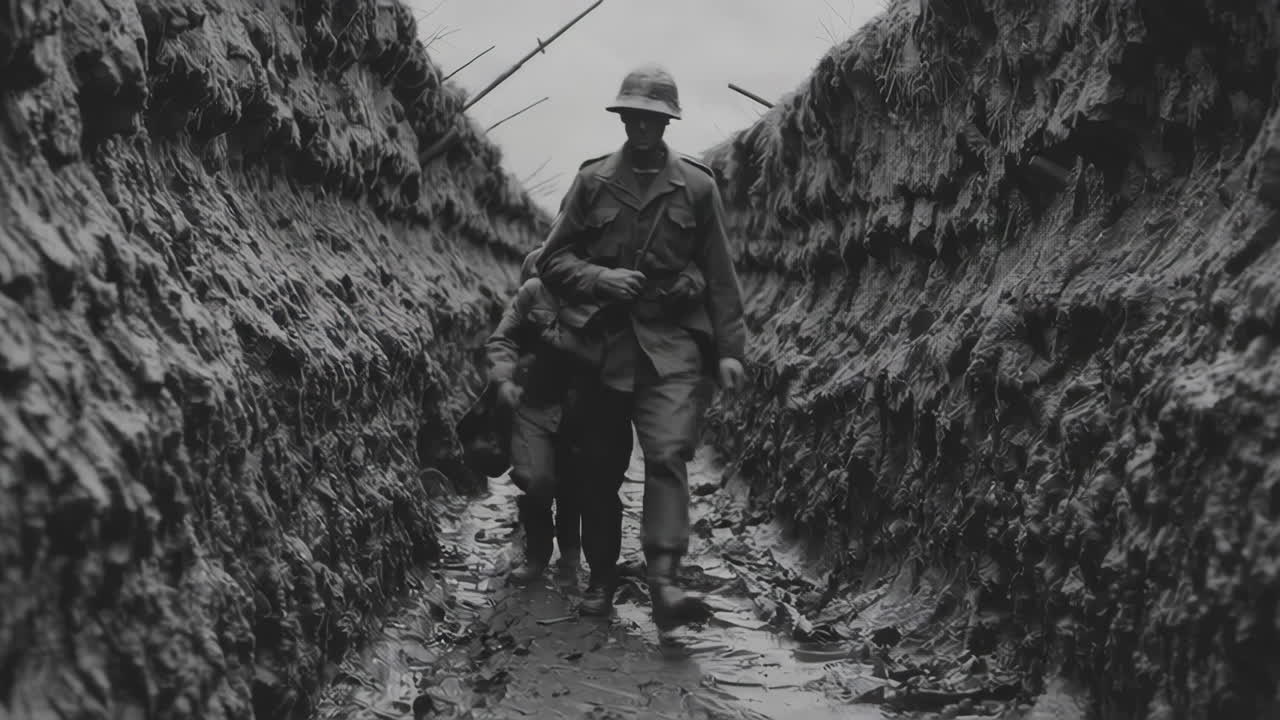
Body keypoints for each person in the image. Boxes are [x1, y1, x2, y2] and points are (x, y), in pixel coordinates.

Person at [535, 64, 747, 630]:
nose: (642, 125)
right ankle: (602, 577)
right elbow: (551, 261)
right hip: (601, 347)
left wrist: (730, 350)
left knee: (668, 456)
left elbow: (720, 274)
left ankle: (665, 582)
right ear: (622, 117)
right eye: (633, 115)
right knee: (598, 470)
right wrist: (600, 279)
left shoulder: (697, 187)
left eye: (653, 117)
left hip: (671, 346)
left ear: (668, 120)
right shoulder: (593, 182)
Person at [485, 249, 584, 582]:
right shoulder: (531, 292)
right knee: (537, 481)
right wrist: (505, 379)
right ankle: (538, 555)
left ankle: (570, 556)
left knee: (572, 487)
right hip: (532, 405)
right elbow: (503, 339)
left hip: (575, 409)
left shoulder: (592, 287)